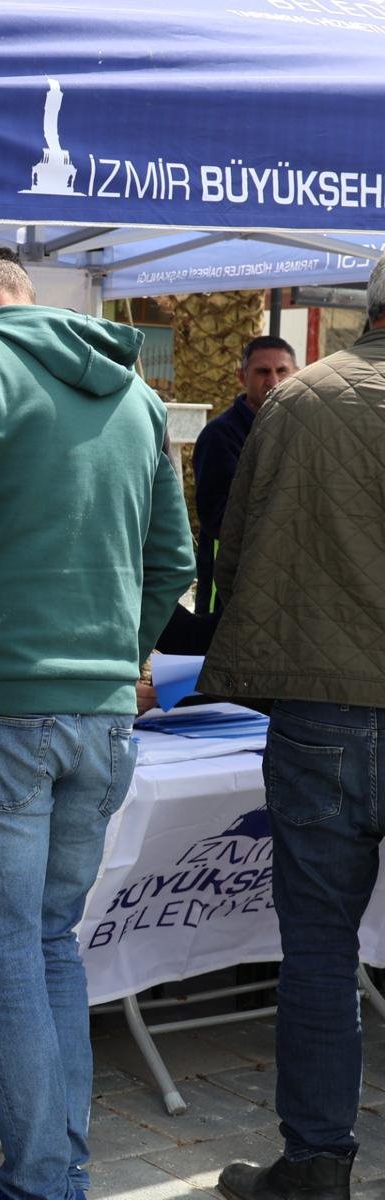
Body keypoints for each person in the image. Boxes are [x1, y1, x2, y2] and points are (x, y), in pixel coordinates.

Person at [0, 244, 195, 1200]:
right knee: (49, 938)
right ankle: (58, 1160)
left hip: (1, 712)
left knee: (11, 944)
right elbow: (175, 560)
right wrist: (114, 664)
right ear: (27, 292)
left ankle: (47, 1176)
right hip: (103, 719)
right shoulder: (137, 398)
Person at [203, 257, 385, 1200]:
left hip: (324, 710)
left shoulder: (302, 400)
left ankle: (318, 1166)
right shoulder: (304, 397)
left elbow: (239, 551)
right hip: (324, 699)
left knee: (319, 948)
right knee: (319, 949)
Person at [192, 335, 297, 614]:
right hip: (228, 583)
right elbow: (216, 516)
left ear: (296, 374)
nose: (273, 381)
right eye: (262, 372)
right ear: (242, 376)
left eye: (282, 371)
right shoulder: (220, 436)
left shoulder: (301, 431)